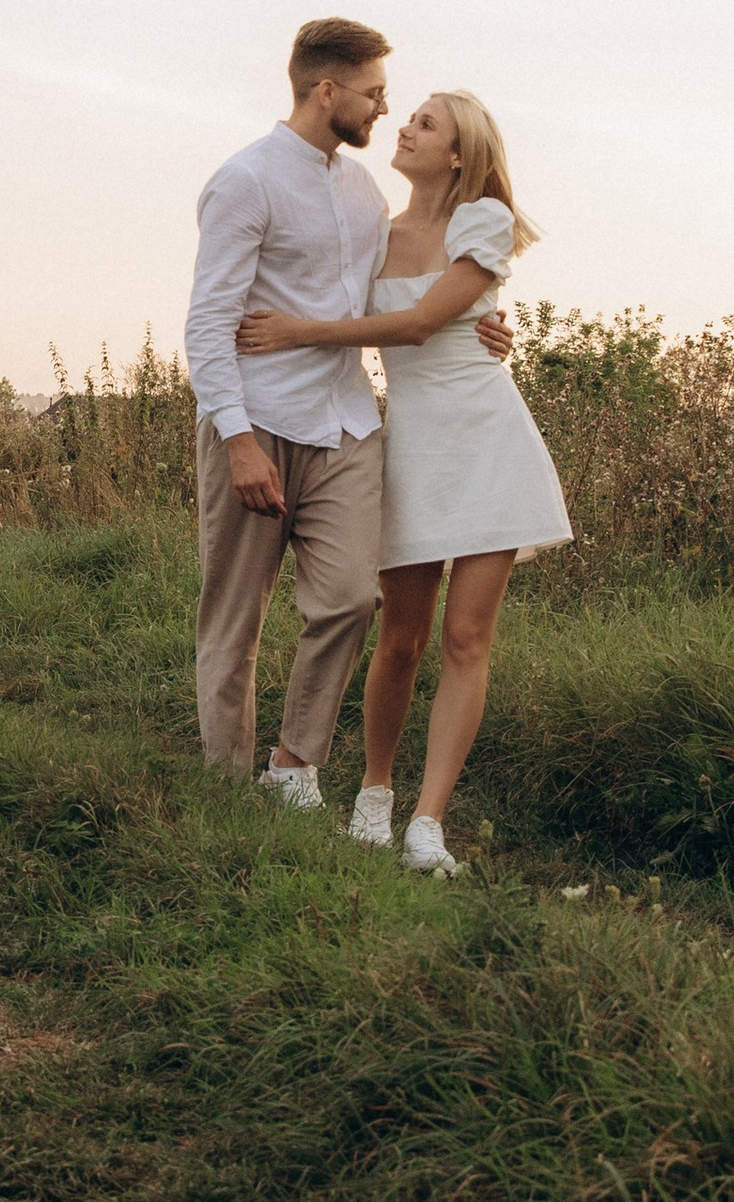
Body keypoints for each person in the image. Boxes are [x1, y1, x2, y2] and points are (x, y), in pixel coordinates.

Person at [237, 88, 569, 874]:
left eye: (426, 123)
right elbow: (337, 301)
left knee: (466, 639)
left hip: (489, 443)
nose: (406, 127)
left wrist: (301, 331)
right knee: (400, 638)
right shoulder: (374, 236)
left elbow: (421, 325)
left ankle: (428, 822)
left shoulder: (481, 220)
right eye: (409, 116)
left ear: (459, 154)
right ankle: (374, 795)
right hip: (411, 444)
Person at [184, 21, 512, 807]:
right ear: (326, 91)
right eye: (373, 95)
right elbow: (207, 321)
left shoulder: (363, 191)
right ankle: (228, 788)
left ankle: (293, 764)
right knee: (235, 619)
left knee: (348, 601)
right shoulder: (246, 180)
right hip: (256, 421)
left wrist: (480, 322)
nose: (383, 111)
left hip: (346, 423)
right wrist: (235, 441)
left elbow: (400, 300)